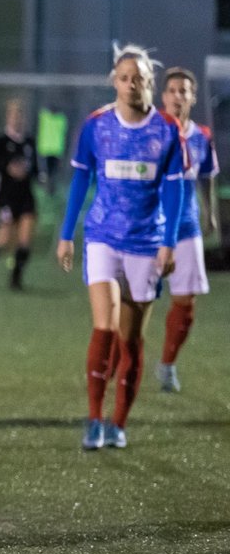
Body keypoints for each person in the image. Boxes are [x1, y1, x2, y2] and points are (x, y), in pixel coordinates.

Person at [57, 44, 185, 451]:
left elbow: (175, 190)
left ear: (150, 83)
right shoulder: (96, 126)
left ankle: (118, 423)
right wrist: (66, 233)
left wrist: (168, 244)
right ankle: (94, 418)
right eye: (125, 78)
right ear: (115, 81)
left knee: (130, 341)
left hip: (146, 244)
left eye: (140, 79)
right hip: (102, 238)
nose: (132, 85)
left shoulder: (166, 130)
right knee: (104, 327)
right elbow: (79, 180)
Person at [153, 66, 219, 393]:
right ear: (163, 96)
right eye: (173, 90)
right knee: (130, 303)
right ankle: (122, 364)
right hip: (148, 228)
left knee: (186, 305)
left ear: (193, 97)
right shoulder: (149, 131)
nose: (179, 95)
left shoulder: (202, 136)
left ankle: (166, 365)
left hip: (186, 227)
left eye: (185, 90)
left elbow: (206, 176)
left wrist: (210, 213)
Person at [0, 98, 38, 290]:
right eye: (13, 115)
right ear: (8, 117)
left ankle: (16, 280)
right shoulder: (0, 142)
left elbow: (35, 168)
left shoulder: (29, 142)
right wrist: (8, 168)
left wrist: (35, 174)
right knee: (3, 239)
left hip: (26, 196)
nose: (17, 119)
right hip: (5, 198)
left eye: (20, 115)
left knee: (25, 240)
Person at [37, 104, 69, 197]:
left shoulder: (46, 117)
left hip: (49, 150)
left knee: (49, 171)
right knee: (49, 171)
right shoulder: (59, 119)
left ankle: (48, 185)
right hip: (52, 150)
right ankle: (48, 184)